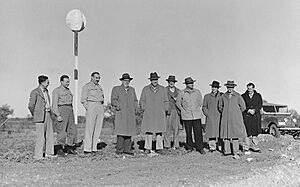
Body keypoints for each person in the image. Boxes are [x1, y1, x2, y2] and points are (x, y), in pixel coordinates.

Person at [139, 72, 169, 155]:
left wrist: (165, 109)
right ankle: (148, 148)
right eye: (153, 79)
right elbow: (142, 100)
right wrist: (144, 108)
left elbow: (166, 101)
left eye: (156, 79)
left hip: (160, 112)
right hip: (149, 113)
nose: (155, 81)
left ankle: (159, 147)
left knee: (159, 131)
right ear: (150, 80)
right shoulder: (145, 89)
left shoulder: (163, 89)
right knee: (149, 131)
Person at [28, 75, 55, 160]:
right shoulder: (35, 92)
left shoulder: (46, 91)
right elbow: (31, 106)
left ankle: (49, 153)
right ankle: (38, 155)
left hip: (48, 114)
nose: (48, 84)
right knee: (40, 136)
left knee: (49, 135)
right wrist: (36, 114)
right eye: (47, 82)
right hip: (40, 116)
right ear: (42, 82)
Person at [218, 80, 247, 159]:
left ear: (233, 87)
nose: (230, 89)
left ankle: (236, 151)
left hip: (235, 119)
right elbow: (220, 106)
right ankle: (227, 151)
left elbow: (243, 107)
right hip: (226, 119)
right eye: (228, 87)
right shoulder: (223, 96)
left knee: (235, 135)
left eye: (231, 87)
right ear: (226, 87)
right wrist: (225, 112)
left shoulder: (238, 96)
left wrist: (236, 113)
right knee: (226, 135)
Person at [111, 73, 138, 156]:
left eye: (128, 80)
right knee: (121, 132)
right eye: (125, 80)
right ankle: (119, 150)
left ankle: (128, 150)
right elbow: (113, 99)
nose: (127, 82)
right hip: (121, 113)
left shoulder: (132, 90)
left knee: (129, 132)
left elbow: (135, 100)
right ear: (122, 81)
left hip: (130, 113)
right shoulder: (116, 89)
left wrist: (134, 108)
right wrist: (117, 106)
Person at [176, 77, 205, 154]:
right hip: (186, 116)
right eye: (190, 83)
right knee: (188, 132)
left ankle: (200, 147)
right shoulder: (181, 93)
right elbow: (178, 103)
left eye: (192, 83)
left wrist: (196, 109)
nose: (192, 84)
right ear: (186, 84)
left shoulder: (197, 92)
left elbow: (200, 102)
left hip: (196, 115)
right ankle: (189, 147)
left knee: (198, 132)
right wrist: (183, 110)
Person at [52, 75, 77, 156]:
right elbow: (54, 105)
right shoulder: (57, 91)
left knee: (71, 129)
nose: (67, 83)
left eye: (68, 82)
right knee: (62, 131)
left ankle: (69, 147)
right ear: (61, 81)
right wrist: (58, 115)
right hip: (61, 110)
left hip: (70, 109)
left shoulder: (68, 90)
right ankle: (59, 148)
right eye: (66, 82)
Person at [81, 72, 104, 154]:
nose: (98, 79)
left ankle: (94, 148)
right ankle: (87, 148)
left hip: (99, 106)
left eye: (99, 78)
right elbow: (83, 100)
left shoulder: (99, 87)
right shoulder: (87, 86)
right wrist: (89, 108)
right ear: (92, 77)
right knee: (89, 128)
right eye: (96, 77)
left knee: (97, 128)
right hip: (91, 105)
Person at [241, 83, 263, 153]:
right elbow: (242, 105)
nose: (249, 90)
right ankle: (246, 147)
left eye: (250, 89)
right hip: (247, 116)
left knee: (255, 133)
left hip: (255, 116)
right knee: (246, 133)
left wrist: (255, 110)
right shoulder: (243, 96)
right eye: (248, 89)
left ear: (253, 88)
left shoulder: (258, 96)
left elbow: (260, 105)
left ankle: (255, 147)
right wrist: (248, 110)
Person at [202, 81, 223, 152]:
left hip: (219, 116)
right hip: (210, 117)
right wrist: (207, 114)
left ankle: (220, 147)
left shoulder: (222, 96)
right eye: (213, 87)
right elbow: (204, 106)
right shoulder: (207, 96)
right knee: (211, 133)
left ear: (218, 88)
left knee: (220, 132)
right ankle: (212, 147)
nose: (214, 88)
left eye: (216, 87)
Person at [163, 75, 181, 150]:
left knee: (176, 129)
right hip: (168, 111)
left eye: (173, 82)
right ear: (168, 82)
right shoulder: (164, 90)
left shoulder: (179, 91)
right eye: (170, 82)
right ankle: (167, 145)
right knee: (167, 129)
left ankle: (176, 145)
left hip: (176, 111)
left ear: (174, 82)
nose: (171, 83)